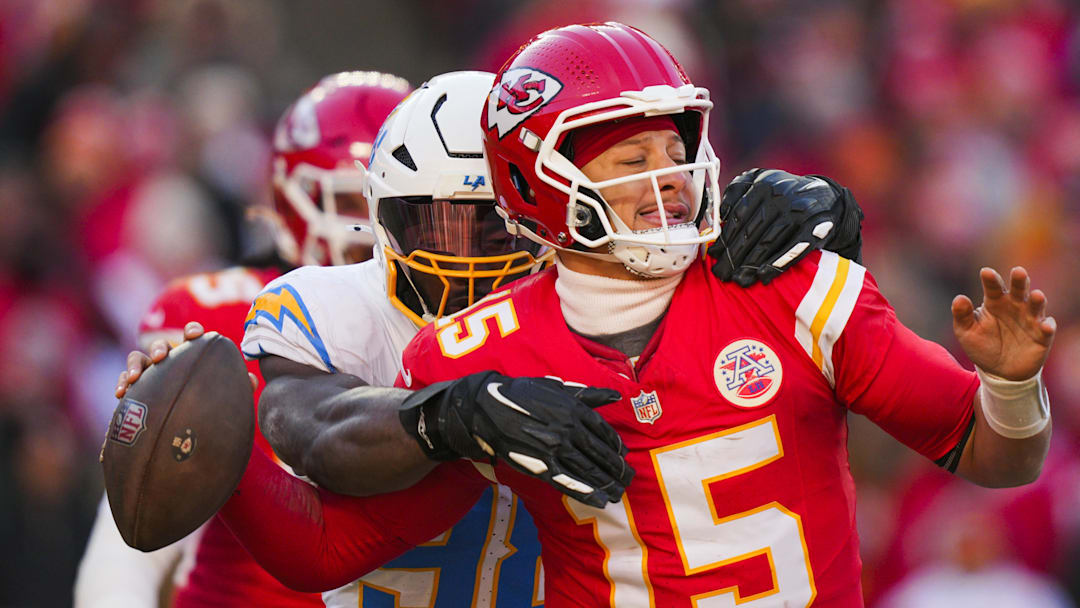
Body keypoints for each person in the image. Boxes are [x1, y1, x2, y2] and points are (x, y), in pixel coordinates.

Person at [164, 22, 1052, 607]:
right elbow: (325, 551)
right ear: (534, 179)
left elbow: (995, 457)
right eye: (633, 153)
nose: (668, 177)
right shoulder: (483, 351)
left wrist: (1010, 387)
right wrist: (210, 439)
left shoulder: (788, 284)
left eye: (675, 149)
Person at [116, 67, 869, 606]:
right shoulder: (333, 308)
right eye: (442, 222)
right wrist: (455, 414)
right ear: (383, 220)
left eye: (496, 223)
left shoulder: (603, 293)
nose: (473, 255)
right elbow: (311, 432)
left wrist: (818, 212)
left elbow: (738, 292)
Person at [77, 70, 411, 608]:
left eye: (395, 200)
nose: (373, 226)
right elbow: (130, 538)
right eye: (354, 201)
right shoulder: (221, 318)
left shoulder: (474, 321)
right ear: (292, 199)